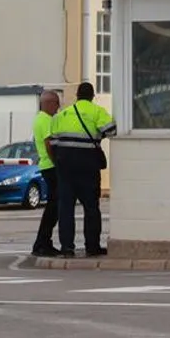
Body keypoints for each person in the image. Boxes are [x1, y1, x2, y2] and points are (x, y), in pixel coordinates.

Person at [45, 81, 115, 257]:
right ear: (92, 96)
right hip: (88, 167)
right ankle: (92, 247)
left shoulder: (63, 115)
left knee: (66, 208)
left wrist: (58, 164)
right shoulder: (97, 111)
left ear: (77, 96)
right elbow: (112, 130)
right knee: (91, 207)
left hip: (65, 168)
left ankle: (67, 248)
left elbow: (52, 144)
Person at [29, 89, 62, 257]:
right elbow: (49, 144)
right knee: (54, 207)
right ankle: (43, 242)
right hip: (50, 166)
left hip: (46, 166)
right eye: (56, 103)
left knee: (53, 206)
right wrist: (58, 162)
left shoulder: (39, 119)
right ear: (48, 103)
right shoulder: (46, 120)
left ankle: (42, 242)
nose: (58, 107)